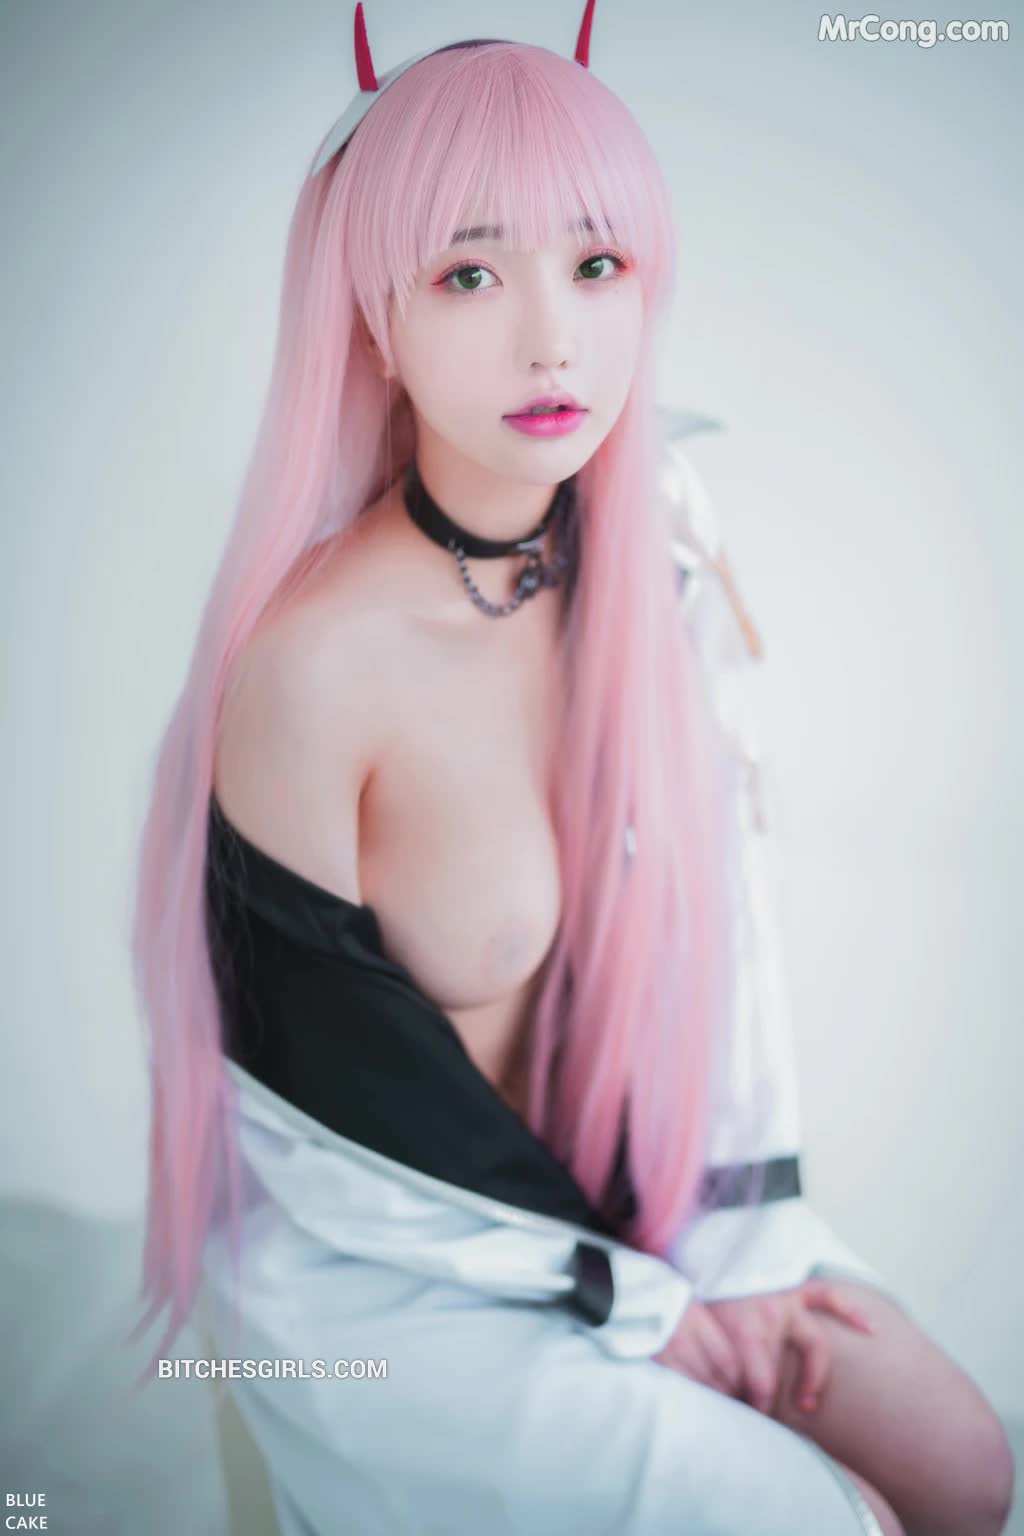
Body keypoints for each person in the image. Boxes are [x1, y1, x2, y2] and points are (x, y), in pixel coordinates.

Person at [129, 8, 1014, 1534]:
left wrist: (731, 1246)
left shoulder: (654, 554)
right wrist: (629, 1303)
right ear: (373, 315)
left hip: (628, 1199)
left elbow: (728, 942)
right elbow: (326, 1127)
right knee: (835, 1524)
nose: (553, 340)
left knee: (966, 1471)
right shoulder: (313, 667)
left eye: (596, 264)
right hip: (399, 1276)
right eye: (470, 274)